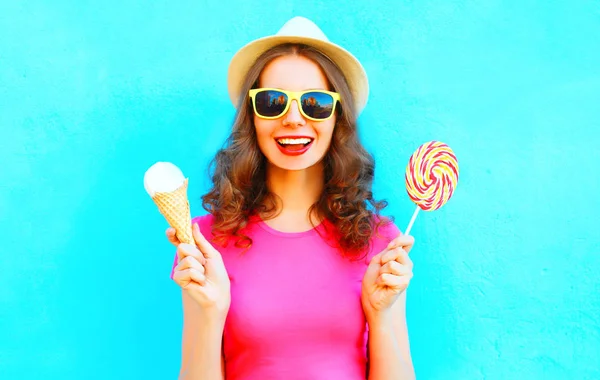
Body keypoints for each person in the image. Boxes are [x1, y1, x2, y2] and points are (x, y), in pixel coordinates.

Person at [166, 16, 416, 380]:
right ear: (252, 117)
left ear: (336, 117)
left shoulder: (381, 241)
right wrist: (210, 313)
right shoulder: (205, 243)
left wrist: (380, 314)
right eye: (272, 102)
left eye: (314, 103)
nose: (294, 119)